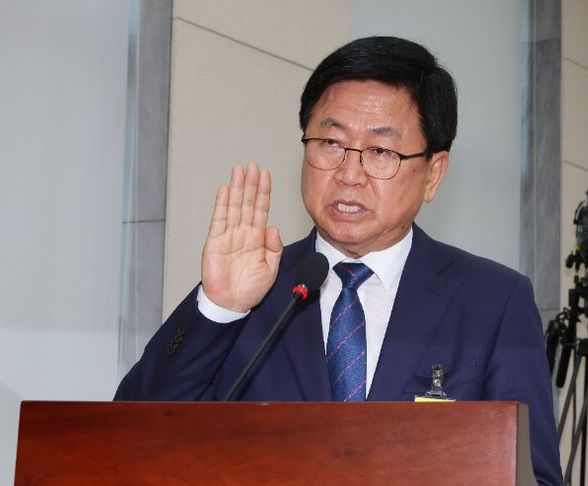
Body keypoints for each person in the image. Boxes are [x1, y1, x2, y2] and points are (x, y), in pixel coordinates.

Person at [116, 36, 562, 485]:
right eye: (331, 142)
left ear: (433, 174)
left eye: (381, 152)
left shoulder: (493, 302)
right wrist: (220, 308)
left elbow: (533, 476)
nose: (349, 174)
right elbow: (127, 441)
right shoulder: (252, 289)